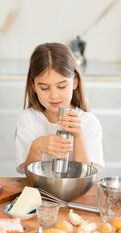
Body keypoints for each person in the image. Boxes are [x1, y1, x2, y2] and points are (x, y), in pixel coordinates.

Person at [15, 42, 104, 174]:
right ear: (33, 86)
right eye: (44, 88)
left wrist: (78, 136)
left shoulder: (89, 122)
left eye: (61, 86)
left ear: (74, 82)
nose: (54, 95)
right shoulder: (27, 120)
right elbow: (28, 176)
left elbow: (86, 177)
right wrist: (37, 147)